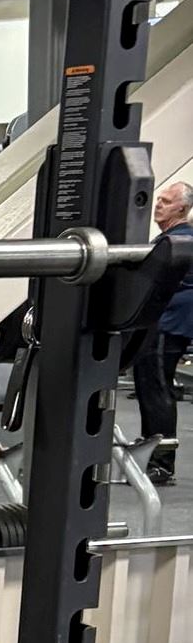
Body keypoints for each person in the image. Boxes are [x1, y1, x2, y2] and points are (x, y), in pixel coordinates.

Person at [133, 178, 193, 487]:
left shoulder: (177, 241)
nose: (158, 204)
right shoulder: (173, 239)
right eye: (158, 199)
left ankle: (161, 463)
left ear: (182, 209)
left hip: (166, 324)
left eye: (166, 202)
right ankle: (151, 454)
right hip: (167, 323)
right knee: (150, 388)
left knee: (156, 390)